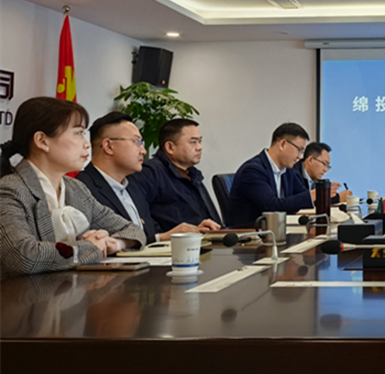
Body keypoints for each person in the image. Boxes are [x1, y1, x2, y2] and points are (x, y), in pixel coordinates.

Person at [0, 97, 146, 276]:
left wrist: (114, 243)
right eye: (78, 133)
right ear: (42, 141)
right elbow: (23, 256)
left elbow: (134, 230)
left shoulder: (76, 188)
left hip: (72, 291)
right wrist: (92, 247)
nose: (87, 144)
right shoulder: (11, 190)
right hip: (25, 293)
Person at [77, 112, 204, 243]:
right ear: (109, 146)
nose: (143, 151)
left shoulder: (133, 186)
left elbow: (145, 236)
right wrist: (162, 237)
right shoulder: (81, 189)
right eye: (136, 142)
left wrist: (189, 232)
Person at [128, 119, 222, 233]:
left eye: (199, 141)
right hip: (173, 242)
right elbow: (142, 221)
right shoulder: (149, 173)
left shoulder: (193, 174)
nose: (199, 147)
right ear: (170, 147)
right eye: (193, 142)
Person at [226, 122, 314, 228]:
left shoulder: (287, 170)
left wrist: (327, 195)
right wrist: (312, 196)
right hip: (249, 233)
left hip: (276, 230)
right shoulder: (252, 170)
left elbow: (302, 194)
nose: (300, 157)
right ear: (282, 144)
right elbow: (271, 206)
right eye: (299, 150)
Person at [290, 142, 351, 207]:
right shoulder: (293, 174)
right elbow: (305, 200)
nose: (326, 170)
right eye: (324, 164)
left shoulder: (314, 179)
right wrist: (338, 198)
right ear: (310, 160)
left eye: (327, 166)